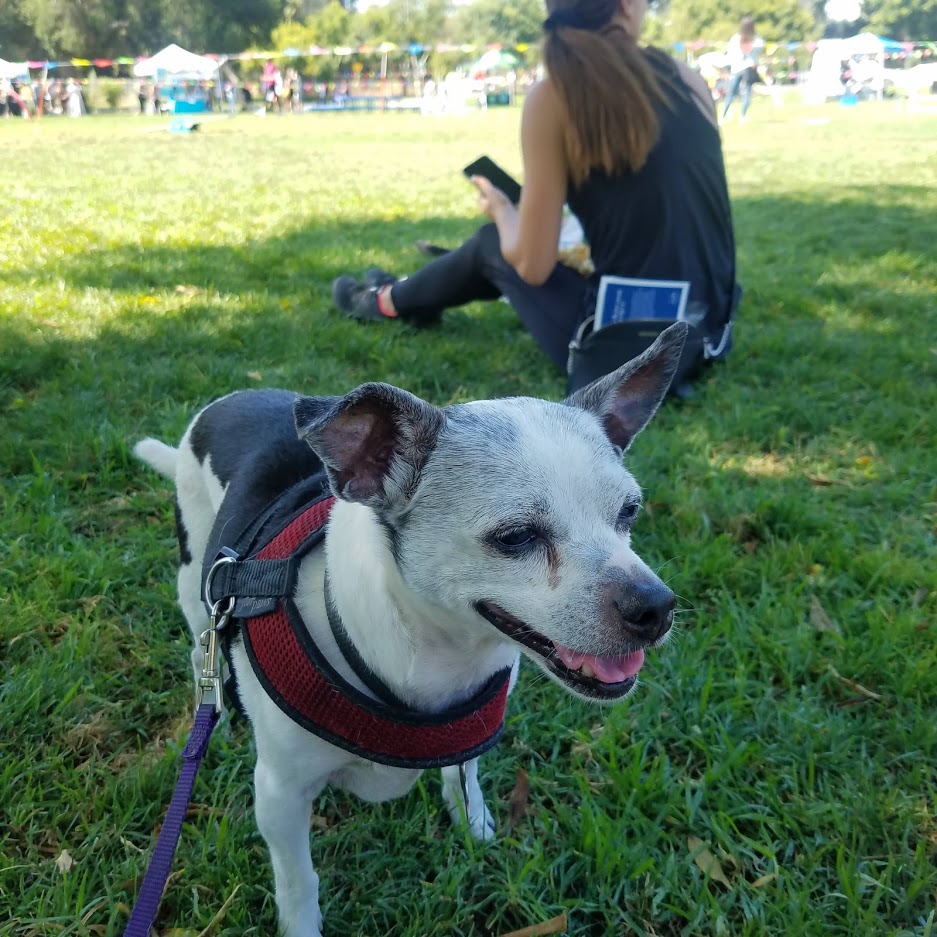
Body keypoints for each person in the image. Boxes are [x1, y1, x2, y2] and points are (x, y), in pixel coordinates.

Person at [332, 0, 738, 385]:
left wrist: (504, 209)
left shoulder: (555, 95)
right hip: (710, 332)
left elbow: (531, 265)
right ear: (626, 5)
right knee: (521, 243)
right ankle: (415, 296)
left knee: (491, 244)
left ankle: (386, 301)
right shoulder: (688, 79)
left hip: (634, 355)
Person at [721, 16, 764, 122]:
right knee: (747, 93)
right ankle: (743, 116)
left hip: (736, 68)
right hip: (749, 68)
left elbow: (730, 52)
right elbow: (761, 49)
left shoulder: (735, 38)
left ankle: (723, 116)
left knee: (731, 92)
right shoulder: (757, 40)